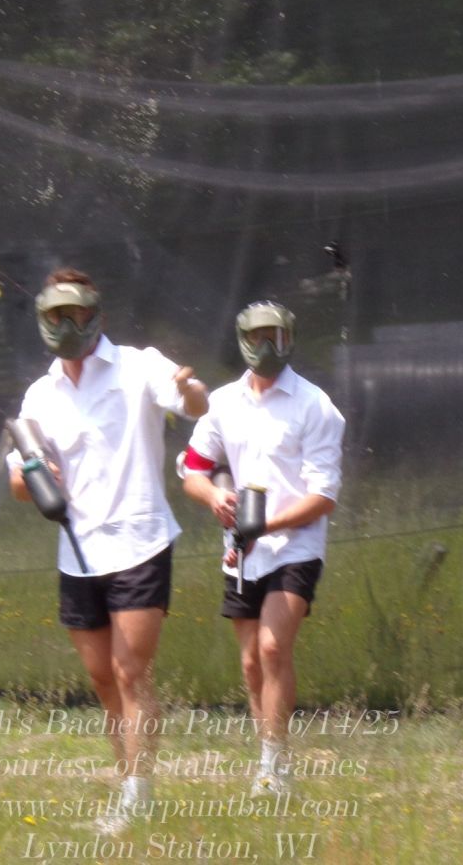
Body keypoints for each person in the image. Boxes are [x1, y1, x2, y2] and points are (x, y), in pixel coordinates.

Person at [7, 267, 207, 828]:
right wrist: (35, 474)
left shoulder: (139, 365)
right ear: (43, 319)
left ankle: (137, 799)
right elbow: (18, 484)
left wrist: (191, 390)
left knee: (129, 671)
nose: (65, 326)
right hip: (78, 552)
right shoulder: (40, 393)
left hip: (140, 541)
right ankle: (127, 784)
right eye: (55, 316)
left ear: (95, 314)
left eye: (74, 314)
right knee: (101, 678)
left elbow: (192, 403)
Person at [180, 301, 345, 795]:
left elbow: (323, 497)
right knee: (252, 661)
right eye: (258, 336)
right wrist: (214, 498)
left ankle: (276, 770)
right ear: (243, 341)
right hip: (241, 551)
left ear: (290, 339)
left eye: (277, 335)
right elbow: (193, 470)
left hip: (297, 546)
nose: (268, 345)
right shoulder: (222, 404)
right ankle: (268, 758)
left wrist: (265, 525)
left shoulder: (316, 406)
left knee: (274, 648)